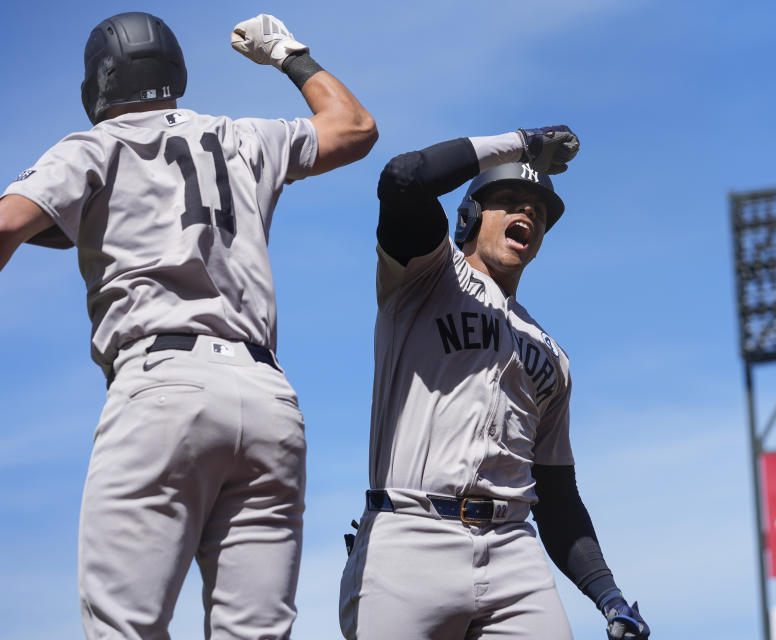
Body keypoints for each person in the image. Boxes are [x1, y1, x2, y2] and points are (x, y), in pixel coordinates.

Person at [0, 12, 376, 639]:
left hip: (162, 388)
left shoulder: (94, 145)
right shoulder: (241, 136)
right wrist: (289, 54)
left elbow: (7, 226)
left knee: (125, 627)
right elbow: (355, 128)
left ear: (99, 81)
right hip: (268, 402)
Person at [339, 127, 650, 639]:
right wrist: (519, 145)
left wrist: (608, 595)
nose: (526, 213)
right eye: (507, 201)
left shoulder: (552, 354)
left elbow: (556, 493)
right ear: (468, 217)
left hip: (512, 548)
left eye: (538, 211)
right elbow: (403, 178)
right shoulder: (425, 276)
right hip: (411, 532)